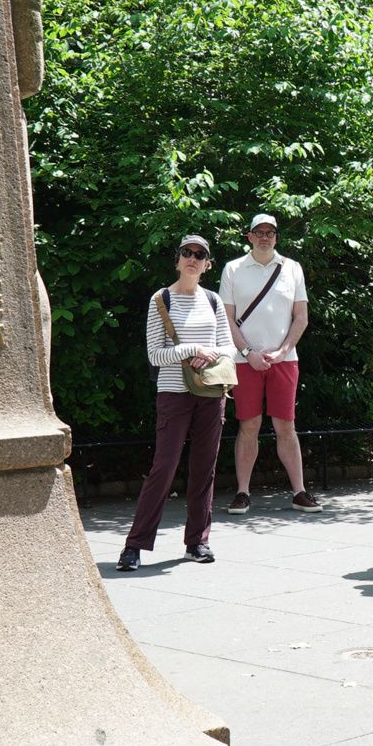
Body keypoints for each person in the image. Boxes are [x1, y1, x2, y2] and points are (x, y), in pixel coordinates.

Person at [117, 235, 235, 571]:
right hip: (173, 394)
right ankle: (134, 546)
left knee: (204, 469)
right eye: (187, 253)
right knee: (164, 467)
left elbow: (229, 348)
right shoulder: (161, 299)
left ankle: (197, 542)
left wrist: (210, 352)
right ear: (177, 259)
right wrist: (191, 350)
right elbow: (155, 354)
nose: (193, 259)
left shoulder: (212, 300)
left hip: (211, 393)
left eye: (200, 255)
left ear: (207, 264)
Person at [219, 214, 319, 514]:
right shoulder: (233, 269)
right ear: (249, 236)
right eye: (259, 232)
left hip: (284, 361)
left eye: (270, 232)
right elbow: (226, 317)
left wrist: (283, 351)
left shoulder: (292, 268)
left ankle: (299, 492)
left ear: (277, 237)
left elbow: (301, 317)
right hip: (244, 359)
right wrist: (248, 351)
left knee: (286, 426)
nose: (265, 237)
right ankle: (242, 493)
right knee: (248, 424)